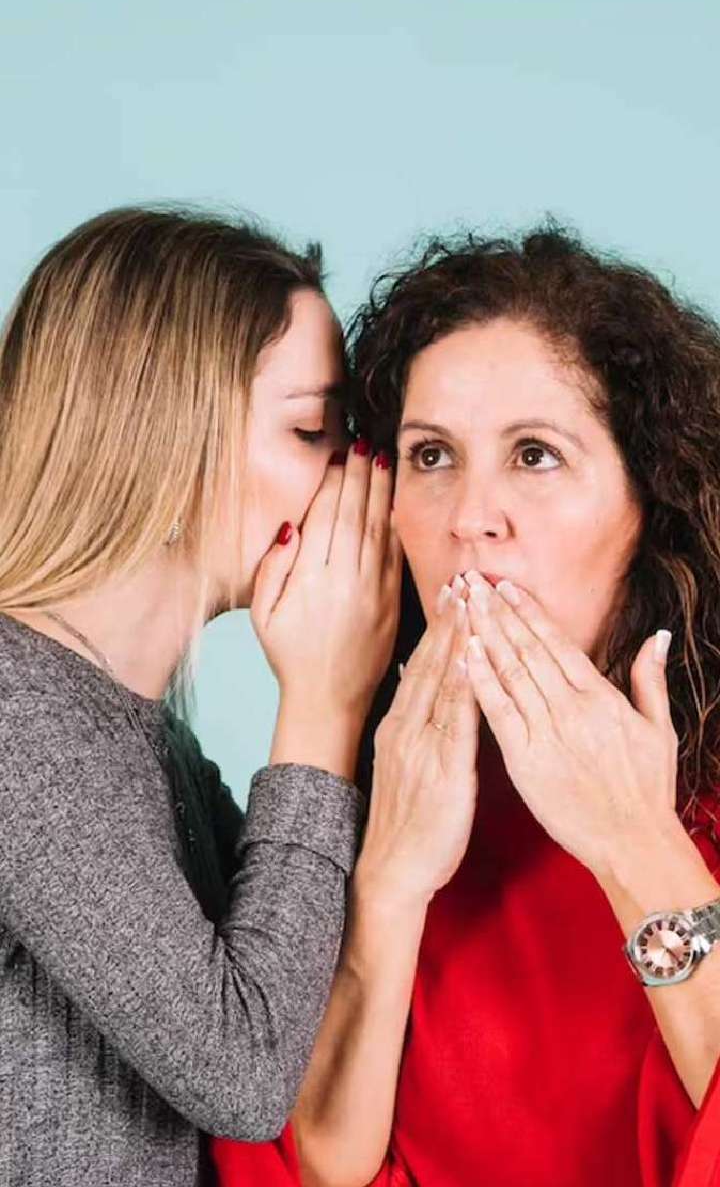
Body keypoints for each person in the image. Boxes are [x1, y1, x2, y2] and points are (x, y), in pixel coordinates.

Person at [210, 225, 720, 1187]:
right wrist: (387, 885)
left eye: (535, 455)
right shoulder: (367, 804)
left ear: (652, 500)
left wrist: (637, 848)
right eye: (433, 455)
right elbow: (293, 1165)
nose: (470, 517)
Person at [0, 204, 409, 1186]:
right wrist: (324, 708)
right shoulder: (18, 722)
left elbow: (293, 971)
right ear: (161, 434)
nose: (353, 480)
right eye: (312, 429)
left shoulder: (137, 731)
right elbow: (244, 1071)